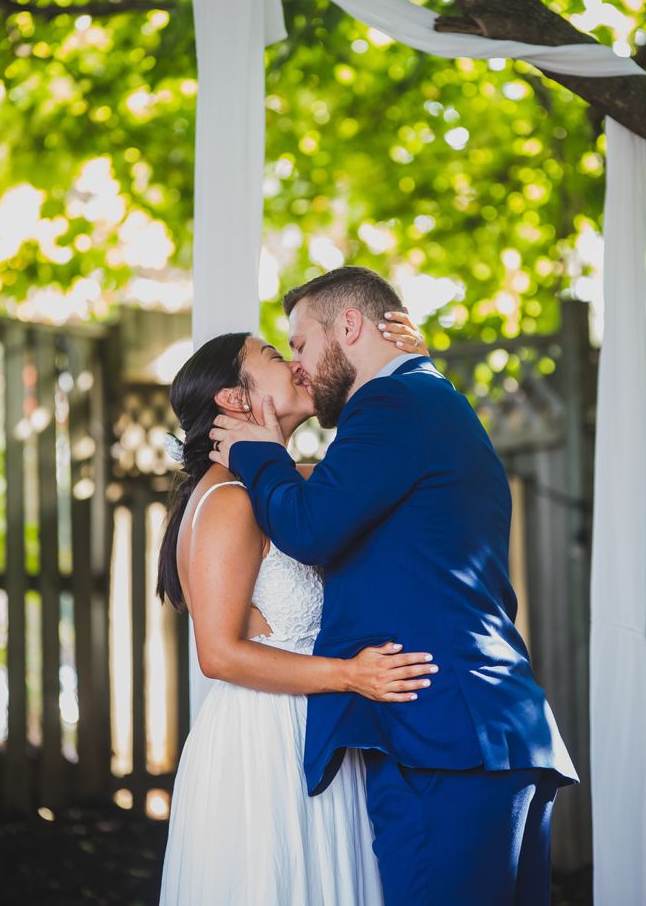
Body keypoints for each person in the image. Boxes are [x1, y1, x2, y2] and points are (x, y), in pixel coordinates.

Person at [210, 265, 579, 906]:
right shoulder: (423, 397)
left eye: (299, 344)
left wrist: (254, 449)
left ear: (349, 326)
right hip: (482, 734)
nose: (297, 366)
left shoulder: (392, 402)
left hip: (444, 740)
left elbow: (309, 524)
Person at [157, 319, 434, 906]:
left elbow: (368, 474)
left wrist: (402, 366)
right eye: (274, 355)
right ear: (233, 399)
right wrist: (351, 674)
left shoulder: (275, 487)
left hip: (310, 724)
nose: (294, 364)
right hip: (266, 741)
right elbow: (218, 654)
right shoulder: (229, 501)